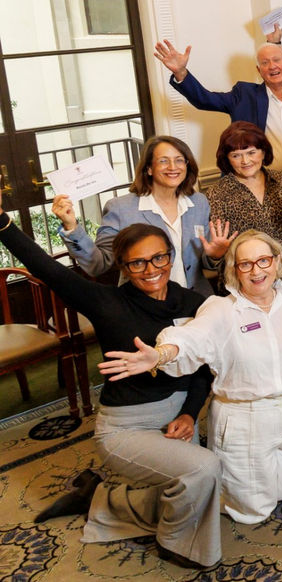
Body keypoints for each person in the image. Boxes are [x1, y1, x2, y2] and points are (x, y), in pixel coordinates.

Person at [1, 206, 220, 570]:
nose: (151, 270)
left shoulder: (194, 303)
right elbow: (43, 266)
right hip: (126, 426)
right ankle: (177, 545)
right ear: (122, 267)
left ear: (171, 256)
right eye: (137, 264)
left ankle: (98, 498)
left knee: (192, 488)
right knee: (203, 470)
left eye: (158, 258)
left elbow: (202, 370)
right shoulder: (107, 303)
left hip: (179, 415)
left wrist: (189, 412)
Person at [100, 230, 282, 525]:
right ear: (234, 270)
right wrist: (160, 355)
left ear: (278, 263)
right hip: (247, 422)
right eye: (246, 264)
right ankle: (113, 502)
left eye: (264, 260)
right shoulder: (221, 310)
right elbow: (192, 339)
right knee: (251, 513)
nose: (257, 271)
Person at [56, 136, 224, 294]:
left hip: (196, 302)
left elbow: (203, 263)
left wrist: (215, 255)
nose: (173, 167)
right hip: (144, 309)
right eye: (163, 161)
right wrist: (71, 226)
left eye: (179, 160)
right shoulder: (120, 208)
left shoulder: (199, 202)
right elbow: (98, 264)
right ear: (149, 168)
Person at [154, 39, 282, 161]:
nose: (272, 66)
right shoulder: (244, 94)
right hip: (257, 181)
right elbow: (204, 99)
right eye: (265, 63)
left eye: (276, 60)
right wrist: (181, 73)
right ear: (259, 70)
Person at [205, 122, 282, 292]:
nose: (245, 161)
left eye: (251, 152)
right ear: (227, 158)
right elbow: (218, 244)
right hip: (245, 283)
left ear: (263, 152)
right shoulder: (217, 193)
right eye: (236, 155)